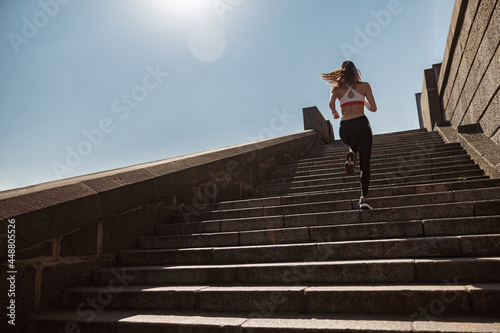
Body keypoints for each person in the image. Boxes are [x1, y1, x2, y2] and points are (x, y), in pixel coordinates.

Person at [321, 60, 377, 210]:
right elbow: (374, 108)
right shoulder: (364, 86)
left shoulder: (337, 88)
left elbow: (331, 102)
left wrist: (334, 112)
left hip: (345, 128)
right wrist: (364, 103)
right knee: (365, 165)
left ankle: (351, 154)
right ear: (355, 71)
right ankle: (363, 198)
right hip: (362, 124)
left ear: (342, 72)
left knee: (354, 146)